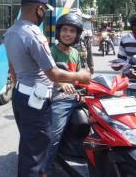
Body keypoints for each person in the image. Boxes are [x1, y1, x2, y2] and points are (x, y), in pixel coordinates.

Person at [4, 0, 90, 177]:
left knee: (29, 146)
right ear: (40, 10)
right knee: (39, 151)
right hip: (36, 98)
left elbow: (12, 69)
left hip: (20, 94)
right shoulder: (35, 35)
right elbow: (53, 74)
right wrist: (81, 76)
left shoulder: (11, 31)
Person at [45, 13, 86, 174]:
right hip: (58, 97)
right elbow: (46, 74)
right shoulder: (51, 52)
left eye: (72, 31)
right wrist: (61, 83)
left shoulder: (75, 53)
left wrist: (82, 90)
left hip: (75, 96)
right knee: (54, 136)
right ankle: (44, 170)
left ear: (77, 35)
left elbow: (79, 76)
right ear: (58, 32)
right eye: (65, 30)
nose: (68, 34)